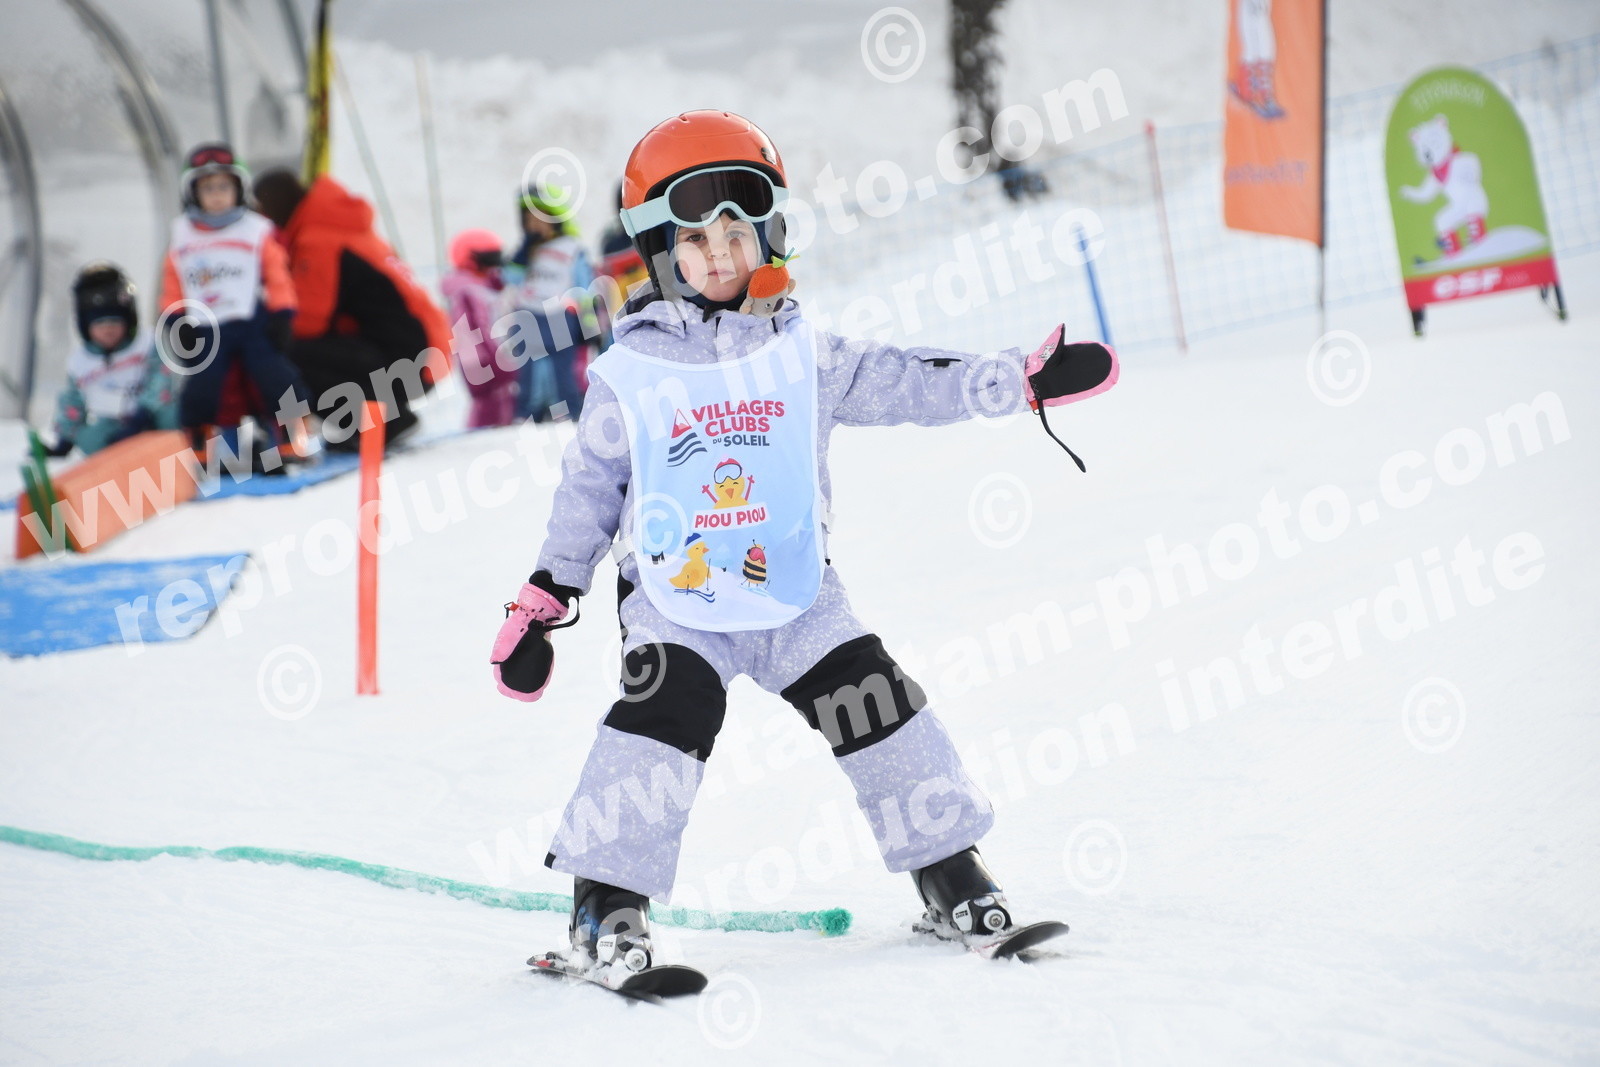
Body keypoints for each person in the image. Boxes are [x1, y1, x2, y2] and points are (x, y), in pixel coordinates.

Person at [489, 110, 1119, 976]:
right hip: (679, 600)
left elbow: (910, 380)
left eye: (736, 234)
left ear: (768, 236)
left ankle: (950, 870)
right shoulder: (629, 374)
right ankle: (607, 901)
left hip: (795, 590)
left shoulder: (805, 355)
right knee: (660, 722)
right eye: (695, 239)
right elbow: (588, 491)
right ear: (660, 250)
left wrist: (1017, 379)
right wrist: (545, 596)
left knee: (879, 703)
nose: (719, 254)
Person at [251, 168, 452, 450]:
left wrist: (258, 327)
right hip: (424, 350)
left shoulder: (317, 239)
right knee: (297, 351)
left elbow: (308, 320)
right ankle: (380, 417)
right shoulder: (337, 225)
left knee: (283, 355)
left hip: (413, 359)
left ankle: (383, 423)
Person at [157, 143, 315, 461]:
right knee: (203, 383)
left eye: (224, 187)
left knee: (273, 373)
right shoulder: (183, 235)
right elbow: (173, 280)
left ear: (239, 189)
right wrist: (175, 319)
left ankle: (291, 432)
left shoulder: (255, 230)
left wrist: (283, 313)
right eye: (208, 188)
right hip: (206, 323)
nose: (217, 195)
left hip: (250, 318)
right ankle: (199, 439)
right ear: (193, 193)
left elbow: (277, 274)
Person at [44, 262, 178, 457]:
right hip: (113, 424)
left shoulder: (147, 344)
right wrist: (65, 440)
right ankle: (111, 461)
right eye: (100, 323)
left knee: (171, 415)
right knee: (90, 438)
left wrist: (143, 416)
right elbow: (73, 401)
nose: (108, 329)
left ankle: (180, 453)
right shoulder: (81, 362)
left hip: (149, 418)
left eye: (115, 321)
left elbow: (161, 380)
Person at [505, 184, 599, 423]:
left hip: (559, 314)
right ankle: (527, 414)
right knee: (528, 371)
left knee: (563, 370)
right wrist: (523, 252)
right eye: (529, 219)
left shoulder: (572, 247)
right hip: (528, 313)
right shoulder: (527, 250)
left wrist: (589, 322)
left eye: (540, 218)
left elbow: (584, 285)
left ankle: (569, 413)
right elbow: (510, 278)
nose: (534, 224)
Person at [441, 228, 518, 429]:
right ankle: (484, 432)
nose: (494, 265)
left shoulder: (481, 286)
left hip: (482, 356)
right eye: (489, 258)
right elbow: (477, 327)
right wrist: (495, 358)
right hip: (480, 358)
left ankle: (486, 429)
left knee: (496, 399)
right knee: (491, 401)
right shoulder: (467, 290)